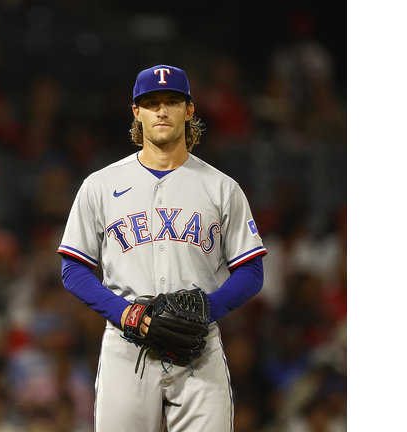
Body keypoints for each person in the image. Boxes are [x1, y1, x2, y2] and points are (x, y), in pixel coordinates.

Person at [57, 65, 267, 431]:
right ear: (136, 112)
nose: (162, 111)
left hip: (198, 348)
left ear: (189, 110)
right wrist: (127, 315)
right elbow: (73, 269)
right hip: (127, 347)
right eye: (152, 103)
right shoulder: (100, 185)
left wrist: (205, 312)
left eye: (172, 101)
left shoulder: (222, 187)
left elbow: (251, 270)